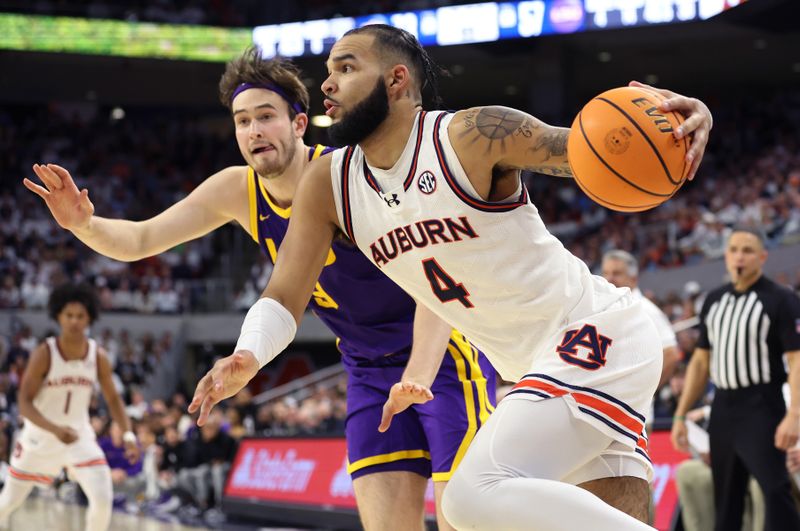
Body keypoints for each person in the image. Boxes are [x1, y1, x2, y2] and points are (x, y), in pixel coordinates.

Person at [189, 24, 713, 530]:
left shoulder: (471, 135)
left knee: (469, 498)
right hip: (538, 365)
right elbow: (284, 296)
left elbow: (588, 148)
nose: (327, 83)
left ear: (396, 80)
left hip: (595, 334)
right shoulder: (329, 183)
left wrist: (673, 122)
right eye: (328, 70)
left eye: (346, 68)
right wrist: (249, 354)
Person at [23, 47, 495, 531]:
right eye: (242, 121)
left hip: (442, 354)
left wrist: (420, 366)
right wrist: (83, 225)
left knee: (467, 518)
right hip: (367, 368)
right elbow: (142, 239)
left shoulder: (351, 172)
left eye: (265, 117)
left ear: (298, 124)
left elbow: (436, 275)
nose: (253, 131)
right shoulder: (238, 189)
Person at [671, 226, 800, 531]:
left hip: (762, 405)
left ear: (762, 257)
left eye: (747, 250)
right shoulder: (714, 300)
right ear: (725, 256)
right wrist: (678, 416)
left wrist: (794, 413)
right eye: (733, 250)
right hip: (723, 407)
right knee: (726, 498)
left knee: (774, 489)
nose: (739, 257)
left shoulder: (781, 299)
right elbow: (701, 361)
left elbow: (796, 359)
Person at [0, 283, 139, 531]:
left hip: (78, 436)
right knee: (8, 503)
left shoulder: (98, 356)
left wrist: (128, 434)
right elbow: (24, 403)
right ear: (58, 317)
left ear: (90, 319)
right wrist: (55, 429)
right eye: (69, 315)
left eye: (80, 316)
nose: (74, 321)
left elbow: (115, 400)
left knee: (102, 498)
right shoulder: (45, 353)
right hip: (39, 438)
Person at [601, 250, 680, 394]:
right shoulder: (606, 307)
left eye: (617, 273)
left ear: (634, 278)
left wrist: (643, 394)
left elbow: (671, 355)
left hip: (630, 409)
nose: (609, 278)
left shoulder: (645, 310)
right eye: (606, 273)